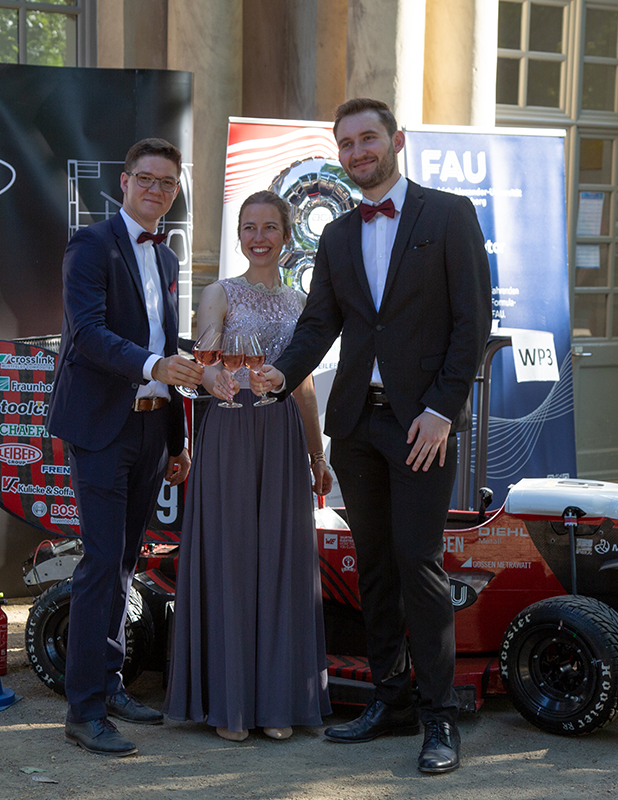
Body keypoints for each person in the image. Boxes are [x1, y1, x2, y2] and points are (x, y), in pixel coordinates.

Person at [253, 98, 491, 774]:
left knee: (419, 565)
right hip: (357, 422)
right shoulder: (335, 235)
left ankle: (439, 718)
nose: (357, 152)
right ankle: (392, 701)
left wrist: (442, 409)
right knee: (376, 567)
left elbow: (472, 323)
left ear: (397, 140)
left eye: (368, 139)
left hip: (422, 425)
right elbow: (318, 325)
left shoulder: (449, 215)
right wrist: (277, 376)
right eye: (347, 143)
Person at [46, 137, 204, 757]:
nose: (156, 191)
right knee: (102, 562)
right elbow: (86, 334)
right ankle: (83, 711)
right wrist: (155, 366)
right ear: (124, 181)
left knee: (125, 564)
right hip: (102, 428)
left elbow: (165, 345)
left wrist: (176, 439)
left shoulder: (165, 258)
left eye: (167, 183)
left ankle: (109, 684)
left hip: (150, 429)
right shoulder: (90, 244)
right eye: (147, 179)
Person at [163, 191, 333, 742]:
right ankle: (230, 704)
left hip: (282, 437)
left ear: (287, 235)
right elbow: (204, 367)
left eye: (269, 227)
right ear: (238, 236)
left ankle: (278, 702)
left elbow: (303, 386)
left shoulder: (301, 301)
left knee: (282, 564)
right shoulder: (219, 292)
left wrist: (317, 454)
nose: (259, 237)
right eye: (248, 228)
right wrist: (221, 378)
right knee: (232, 559)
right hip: (231, 431)